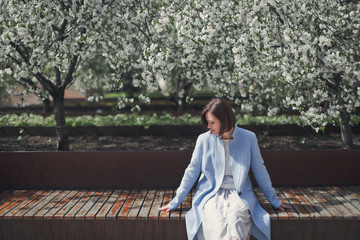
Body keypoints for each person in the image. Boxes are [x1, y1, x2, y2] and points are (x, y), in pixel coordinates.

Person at [159, 98, 291, 240]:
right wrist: (176, 201)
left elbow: (260, 170)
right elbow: (191, 171)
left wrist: (274, 200)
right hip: (211, 193)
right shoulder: (203, 140)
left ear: (224, 119)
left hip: (239, 193)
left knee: (236, 219)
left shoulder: (248, 138)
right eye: (207, 122)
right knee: (217, 223)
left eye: (212, 122)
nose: (209, 126)